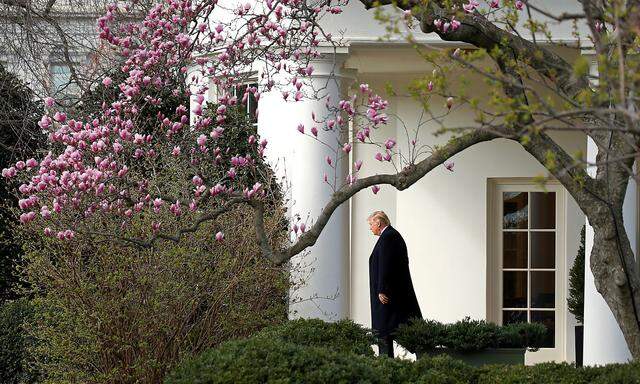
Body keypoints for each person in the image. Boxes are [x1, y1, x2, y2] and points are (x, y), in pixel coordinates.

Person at [368, 211, 422, 358]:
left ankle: (387, 366)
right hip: (390, 295)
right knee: (390, 330)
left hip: (387, 297)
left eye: (371, 224)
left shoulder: (388, 237)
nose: (370, 227)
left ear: (379, 223)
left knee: (389, 329)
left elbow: (386, 265)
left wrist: (382, 289)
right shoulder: (389, 236)